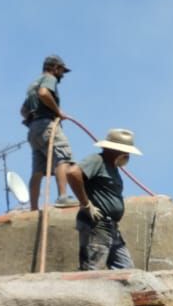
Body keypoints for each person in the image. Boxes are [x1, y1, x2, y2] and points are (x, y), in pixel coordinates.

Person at [68, 128, 142, 271]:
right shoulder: (97, 160)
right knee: (92, 268)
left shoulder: (112, 168)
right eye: (125, 152)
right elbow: (73, 173)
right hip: (97, 224)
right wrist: (86, 204)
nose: (127, 156)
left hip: (111, 227)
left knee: (125, 269)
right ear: (115, 150)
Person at [20, 54, 79, 210]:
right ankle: (63, 197)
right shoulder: (48, 78)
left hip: (34, 130)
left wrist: (33, 119)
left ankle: (33, 208)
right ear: (55, 68)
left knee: (38, 170)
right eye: (61, 70)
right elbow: (44, 93)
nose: (62, 75)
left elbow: (23, 111)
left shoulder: (32, 85)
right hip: (47, 125)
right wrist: (57, 111)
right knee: (62, 157)